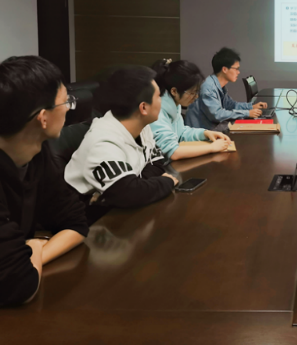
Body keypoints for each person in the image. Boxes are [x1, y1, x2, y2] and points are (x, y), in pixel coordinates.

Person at [0, 56, 89, 306]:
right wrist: (34, 247)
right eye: (66, 102)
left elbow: (76, 223)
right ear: (43, 117)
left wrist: (32, 255)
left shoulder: (38, 154)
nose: (69, 109)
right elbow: (18, 287)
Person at [65, 66, 179, 210]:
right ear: (143, 108)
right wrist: (166, 182)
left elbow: (157, 163)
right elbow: (128, 194)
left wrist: (136, 184)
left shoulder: (142, 126)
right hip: (87, 213)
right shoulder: (103, 142)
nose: (161, 101)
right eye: (158, 96)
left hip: (115, 206)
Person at [150, 59, 231, 160]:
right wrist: (211, 148)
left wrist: (205, 133)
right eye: (192, 92)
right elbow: (173, 152)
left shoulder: (174, 104)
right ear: (174, 91)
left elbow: (181, 133)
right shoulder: (157, 111)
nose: (196, 96)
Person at [185, 47, 267, 131]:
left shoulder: (219, 85)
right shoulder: (209, 87)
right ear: (224, 69)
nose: (238, 72)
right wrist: (247, 113)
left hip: (213, 130)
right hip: (200, 133)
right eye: (236, 69)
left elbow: (231, 105)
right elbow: (217, 115)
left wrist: (251, 107)